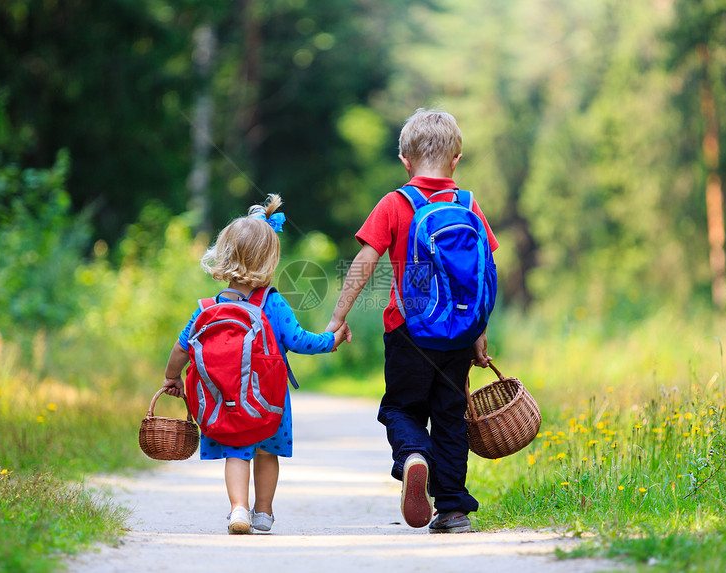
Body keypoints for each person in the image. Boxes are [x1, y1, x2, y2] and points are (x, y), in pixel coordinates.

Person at [326, 109, 499, 534]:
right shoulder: (468, 205)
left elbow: (365, 262)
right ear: (456, 159)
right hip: (458, 335)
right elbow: (480, 273)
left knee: (400, 407)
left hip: (407, 330)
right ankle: (454, 509)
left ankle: (413, 455)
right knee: (450, 416)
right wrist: (479, 334)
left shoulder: (396, 203)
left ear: (405, 160)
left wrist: (338, 316)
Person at [162, 194, 350, 535]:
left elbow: (181, 347)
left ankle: (238, 509)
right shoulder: (272, 303)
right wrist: (331, 340)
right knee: (267, 452)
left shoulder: (208, 308)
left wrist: (171, 377)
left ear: (224, 255)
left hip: (226, 401)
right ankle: (263, 512)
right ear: (270, 260)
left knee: (237, 453)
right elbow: (299, 341)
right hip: (269, 400)